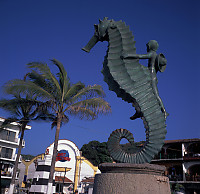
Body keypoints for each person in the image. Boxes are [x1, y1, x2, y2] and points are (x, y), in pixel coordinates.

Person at [122, 40, 168, 119]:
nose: (147, 47)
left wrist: (128, 55)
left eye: (148, 46)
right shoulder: (154, 54)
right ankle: (138, 111)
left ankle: (164, 111)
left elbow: (141, 56)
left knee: (156, 94)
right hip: (149, 75)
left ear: (150, 46)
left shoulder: (152, 54)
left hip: (151, 76)